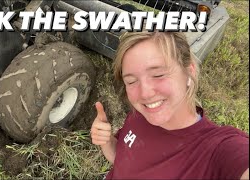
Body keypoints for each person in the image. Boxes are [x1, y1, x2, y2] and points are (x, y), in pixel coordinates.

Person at [90, 31, 249, 179]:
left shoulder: (218, 149)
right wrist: (107, 141)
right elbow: (122, 161)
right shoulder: (138, 115)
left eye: (158, 74)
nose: (145, 94)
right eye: (131, 81)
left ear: (189, 72)